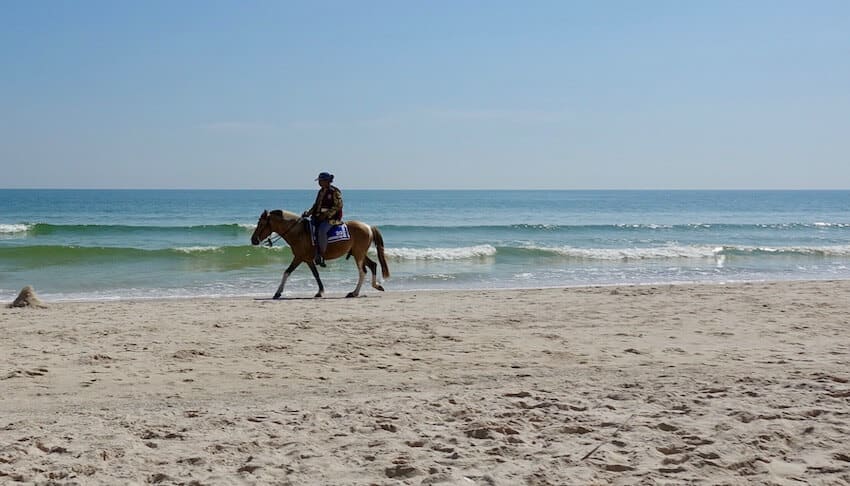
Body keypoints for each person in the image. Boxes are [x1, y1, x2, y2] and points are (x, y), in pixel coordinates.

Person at [302, 172, 343, 267]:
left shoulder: (334, 191)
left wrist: (326, 215)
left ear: (326, 181)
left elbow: (339, 206)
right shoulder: (321, 191)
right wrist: (308, 213)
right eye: (319, 181)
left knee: (322, 231)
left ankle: (321, 254)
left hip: (332, 218)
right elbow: (316, 205)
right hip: (319, 216)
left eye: (320, 181)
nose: (319, 183)